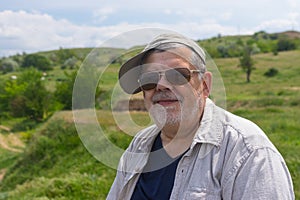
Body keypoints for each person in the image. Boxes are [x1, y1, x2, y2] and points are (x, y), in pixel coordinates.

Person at [107, 32, 295, 200]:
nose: (161, 85)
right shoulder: (140, 144)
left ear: (204, 85)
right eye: (149, 79)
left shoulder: (247, 151)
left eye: (178, 75)